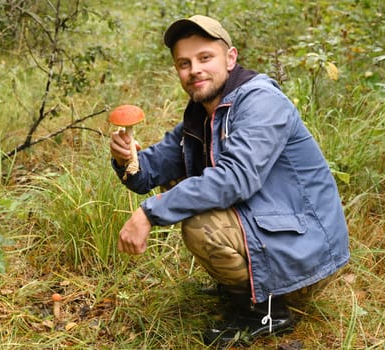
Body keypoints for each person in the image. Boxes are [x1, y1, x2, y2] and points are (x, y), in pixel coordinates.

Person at [109, 14, 350, 345]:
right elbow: (151, 170)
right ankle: (247, 288)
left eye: (205, 58)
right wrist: (126, 158)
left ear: (230, 58)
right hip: (274, 235)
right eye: (184, 63)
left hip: (307, 252)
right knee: (182, 190)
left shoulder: (261, 101)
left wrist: (149, 212)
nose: (194, 69)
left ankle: (267, 313)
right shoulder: (202, 114)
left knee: (199, 220)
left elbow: (235, 178)